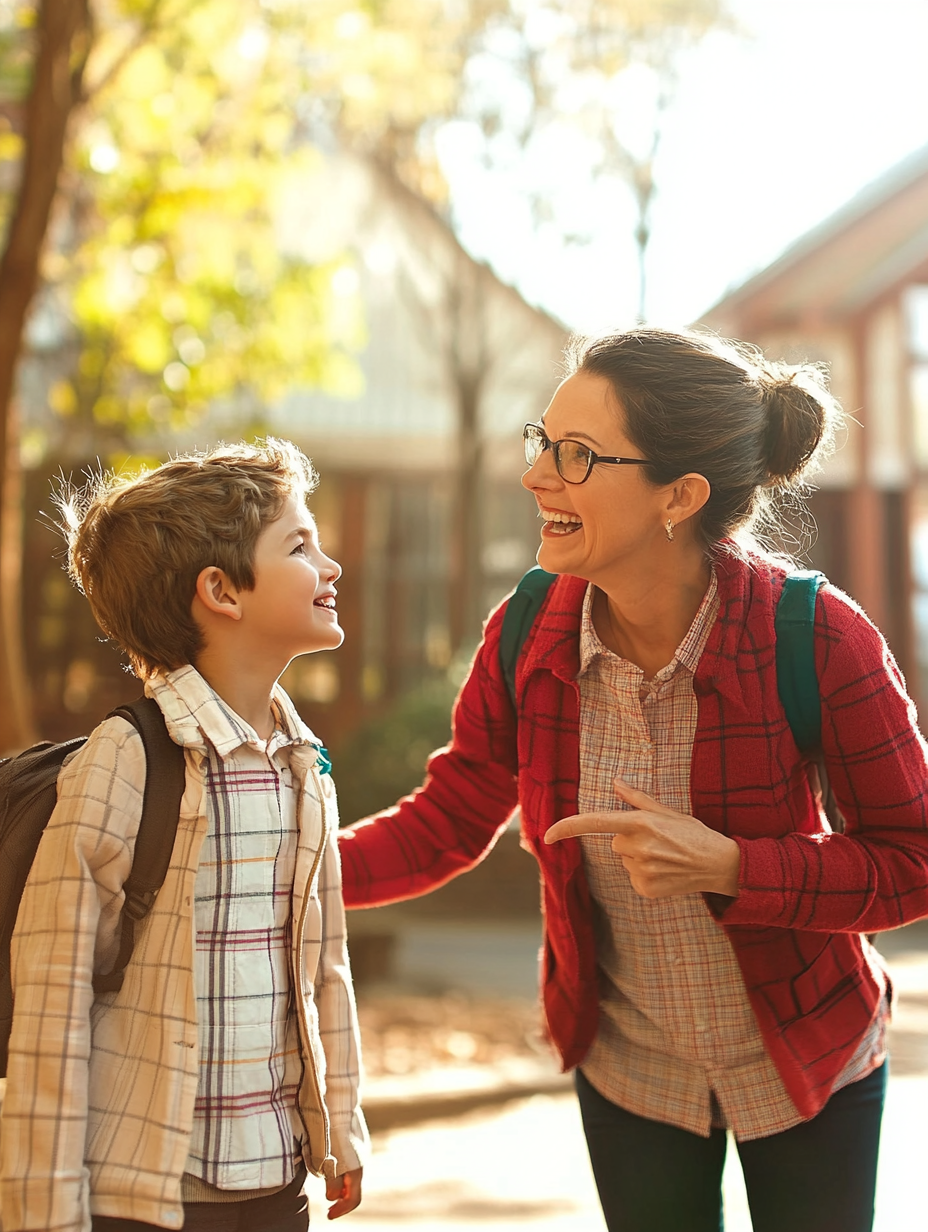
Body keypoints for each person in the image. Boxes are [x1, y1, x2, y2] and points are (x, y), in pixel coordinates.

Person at [338, 327, 928, 1232]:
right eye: (542, 442)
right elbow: (449, 818)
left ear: (679, 497)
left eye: (575, 456)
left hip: (809, 1056)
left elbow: (914, 860)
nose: (537, 477)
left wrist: (734, 867)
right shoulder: (526, 632)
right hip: (630, 1068)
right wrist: (286, 865)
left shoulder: (819, 639)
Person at [0, 439, 368, 1232]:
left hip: (275, 1180)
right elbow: (52, 998)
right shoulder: (128, 759)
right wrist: (44, 1209)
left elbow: (324, 963)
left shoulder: (305, 765)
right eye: (301, 546)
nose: (330, 566)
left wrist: (342, 1125)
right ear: (220, 592)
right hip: (143, 1193)